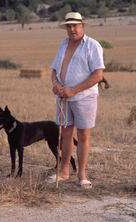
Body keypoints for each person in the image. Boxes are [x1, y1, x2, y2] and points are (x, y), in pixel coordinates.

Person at [47, 12, 105, 189]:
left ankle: (82, 174)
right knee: (65, 134)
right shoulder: (63, 45)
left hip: (84, 97)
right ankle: (64, 171)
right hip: (63, 97)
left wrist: (74, 89)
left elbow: (98, 75)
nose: (72, 29)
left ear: (82, 26)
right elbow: (54, 71)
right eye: (68, 26)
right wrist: (56, 84)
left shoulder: (93, 46)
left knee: (83, 135)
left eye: (75, 25)